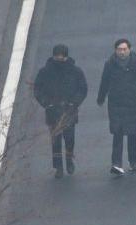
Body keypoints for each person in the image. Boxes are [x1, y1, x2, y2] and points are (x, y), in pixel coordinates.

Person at [34, 44, 88, 178]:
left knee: (69, 139)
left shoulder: (75, 71)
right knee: (56, 141)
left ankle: (69, 160)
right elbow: (38, 90)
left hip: (69, 109)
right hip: (52, 110)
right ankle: (58, 166)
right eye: (57, 56)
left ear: (66, 56)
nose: (59, 58)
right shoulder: (45, 72)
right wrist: (46, 104)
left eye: (61, 56)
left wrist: (74, 103)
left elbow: (82, 89)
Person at [96, 38, 136, 176]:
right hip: (115, 103)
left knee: (132, 133)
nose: (122, 52)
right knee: (117, 133)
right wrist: (101, 97)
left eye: (124, 49)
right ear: (115, 50)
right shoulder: (110, 65)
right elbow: (104, 81)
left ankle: (133, 161)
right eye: (119, 49)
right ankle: (117, 164)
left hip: (132, 103)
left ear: (129, 49)